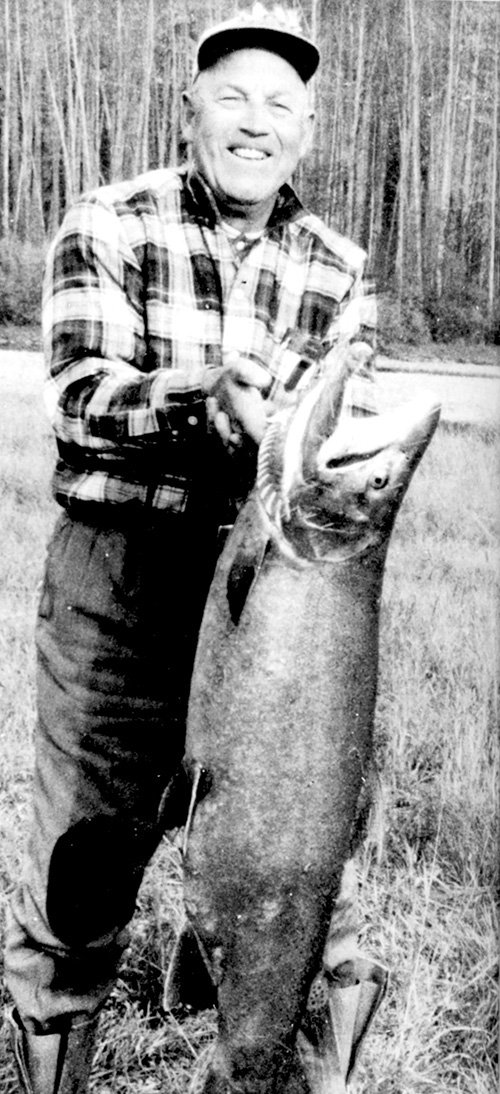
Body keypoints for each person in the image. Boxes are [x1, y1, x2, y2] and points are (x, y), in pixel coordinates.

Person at [4, 6, 385, 1093]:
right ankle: (53, 1060)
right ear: (191, 107)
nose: (254, 122)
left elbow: (343, 433)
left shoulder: (337, 264)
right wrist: (200, 395)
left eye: (280, 104)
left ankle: (281, 1059)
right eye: (233, 95)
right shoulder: (110, 221)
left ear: (306, 130)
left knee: (302, 848)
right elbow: (79, 397)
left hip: (276, 602)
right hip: (119, 571)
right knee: (86, 852)